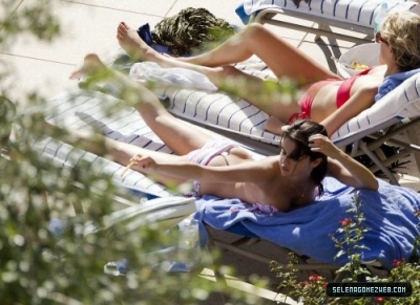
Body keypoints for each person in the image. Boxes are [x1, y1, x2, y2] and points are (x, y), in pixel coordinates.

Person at [54, 53, 378, 213]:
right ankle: (48, 126)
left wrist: (335, 152)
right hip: (206, 173)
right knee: (121, 145)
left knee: (159, 118)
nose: (284, 160)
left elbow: (370, 184)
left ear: (314, 160)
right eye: (282, 150)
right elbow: (202, 170)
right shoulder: (270, 171)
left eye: (293, 156)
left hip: (222, 154)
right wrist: (155, 167)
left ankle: (99, 72)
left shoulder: (324, 166)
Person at [115, 11, 420, 136]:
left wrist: (283, 130)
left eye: (381, 38)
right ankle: (195, 58)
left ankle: (152, 57)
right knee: (256, 33)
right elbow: (345, 90)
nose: (375, 40)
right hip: (324, 84)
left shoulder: (371, 92)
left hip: (299, 107)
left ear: (395, 49)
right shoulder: (393, 72)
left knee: (227, 73)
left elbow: (321, 135)